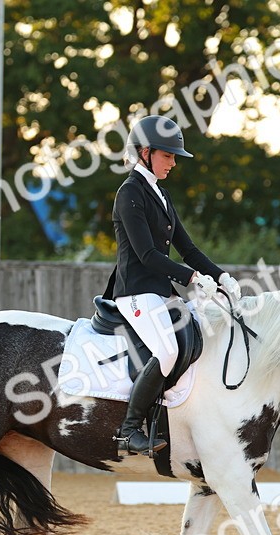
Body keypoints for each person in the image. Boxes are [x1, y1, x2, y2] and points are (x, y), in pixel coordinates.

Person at [106, 115, 241, 455]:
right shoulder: (129, 194)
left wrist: (221, 276)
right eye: (168, 156)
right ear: (146, 152)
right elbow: (148, 255)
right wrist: (193, 278)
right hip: (135, 292)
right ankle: (129, 428)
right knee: (167, 351)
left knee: (202, 334)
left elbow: (188, 249)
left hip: (161, 292)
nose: (173, 163)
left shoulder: (161, 195)